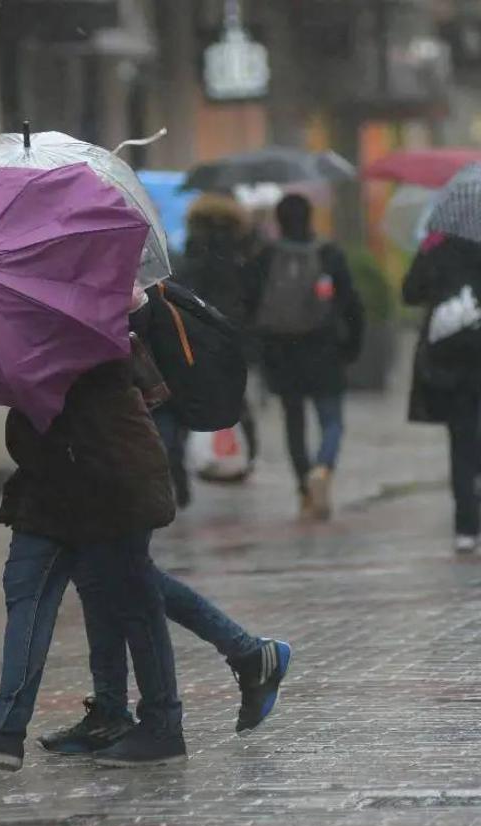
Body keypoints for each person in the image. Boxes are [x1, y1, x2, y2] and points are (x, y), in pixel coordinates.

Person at [36, 293, 291, 756]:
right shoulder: (70, 274)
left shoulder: (111, 275)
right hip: (89, 449)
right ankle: (114, 711)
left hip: (120, 448)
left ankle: (170, 714)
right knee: (99, 576)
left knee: (127, 576)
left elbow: (116, 351)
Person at [0, 325, 186, 770]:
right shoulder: (38, 316)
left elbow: (83, 395)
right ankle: (11, 725)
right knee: (42, 586)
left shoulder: (89, 316)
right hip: (61, 482)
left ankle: (166, 719)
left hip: (101, 482)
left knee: (135, 595)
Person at [248, 195, 364, 520]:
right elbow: (352, 304)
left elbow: (251, 304)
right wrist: (351, 345)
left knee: (294, 422)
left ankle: (303, 489)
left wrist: (258, 350)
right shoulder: (329, 254)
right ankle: (323, 468)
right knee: (332, 420)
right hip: (324, 349)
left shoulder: (265, 257)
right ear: (311, 216)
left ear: (280, 220)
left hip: (282, 353)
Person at [402, 233, 481, 553]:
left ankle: (466, 528)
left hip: (450, 362)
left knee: (461, 442)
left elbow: (409, 293)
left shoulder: (437, 248)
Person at [174, 193, 259, 469]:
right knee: (236, 393)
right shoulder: (239, 252)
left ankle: (179, 462)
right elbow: (249, 294)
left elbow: (181, 287)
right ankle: (249, 452)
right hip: (231, 332)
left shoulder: (192, 249)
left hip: (195, 330)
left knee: (190, 393)